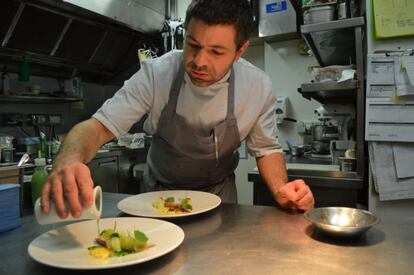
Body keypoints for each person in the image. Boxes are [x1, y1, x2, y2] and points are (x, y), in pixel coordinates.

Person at [41, 0, 314, 219]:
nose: (199, 62)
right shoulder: (157, 74)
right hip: (157, 197)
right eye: (192, 45)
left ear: (240, 50)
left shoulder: (256, 86)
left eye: (216, 52)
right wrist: (68, 161)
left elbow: (266, 149)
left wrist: (281, 189)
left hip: (220, 199)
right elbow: (96, 127)